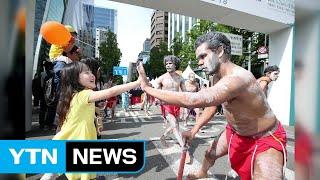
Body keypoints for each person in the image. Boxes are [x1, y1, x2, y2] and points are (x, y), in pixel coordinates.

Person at [137, 32, 287, 179]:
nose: (200, 62)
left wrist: (148, 89)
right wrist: (194, 130)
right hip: (235, 132)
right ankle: (202, 172)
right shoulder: (216, 77)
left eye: (203, 56)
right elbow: (212, 106)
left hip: (265, 137)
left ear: (220, 51)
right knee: (210, 153)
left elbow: (194, 100)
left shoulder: (238, 78)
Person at [41, 61, 140, 180]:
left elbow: (80, 114)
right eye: (86, 72)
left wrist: (97, 111)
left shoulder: (73, 96)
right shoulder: (84, 95)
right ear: (75, 78)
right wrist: (138, 82)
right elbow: (111, 91)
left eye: (91, 71)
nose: (92, 74)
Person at [154, 55, 192, 164]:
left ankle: (163, 136)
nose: (168, 65)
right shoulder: (161, 78)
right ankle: (185, 151)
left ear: (175, 64)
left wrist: (187, 107)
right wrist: (157, 99)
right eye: (166, 64)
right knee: (175, 125)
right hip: (166, 104)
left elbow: (184, 93)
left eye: (170, 63)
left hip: (176, 104)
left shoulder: (180, 78)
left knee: (175, 126)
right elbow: (156, 91)